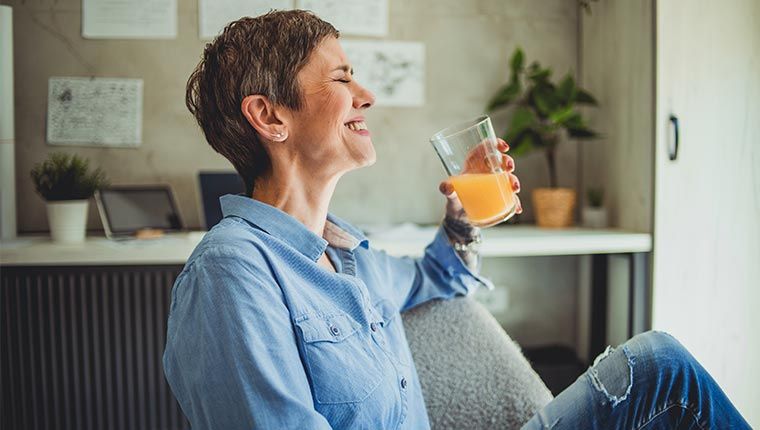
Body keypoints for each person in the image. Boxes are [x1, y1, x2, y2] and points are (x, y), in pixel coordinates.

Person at [163, 10, 750, 430]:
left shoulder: (347, 255)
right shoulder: (231, 275)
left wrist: (462, 220)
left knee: (659, 364)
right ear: (269, 116)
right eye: (341, 78)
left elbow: (435, 278)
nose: (365, 95)